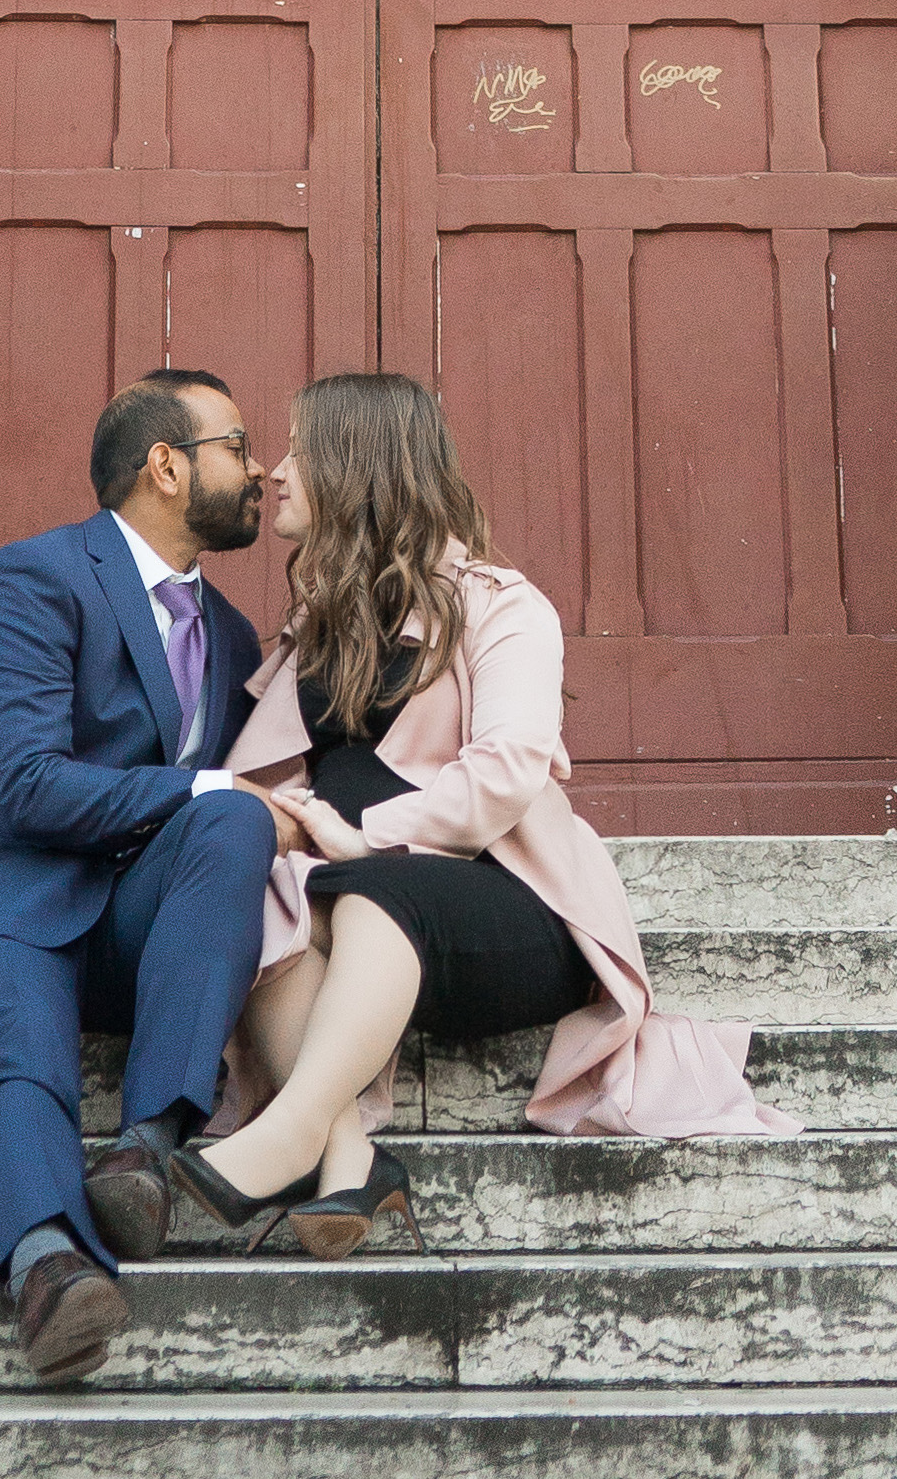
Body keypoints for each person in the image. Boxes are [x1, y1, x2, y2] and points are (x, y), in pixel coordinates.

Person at [153, 369, 786, 1258]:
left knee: (378, 892)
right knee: (269, 893)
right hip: (359, 901)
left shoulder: (501, 605)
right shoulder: (317, 626)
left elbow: (509, 768)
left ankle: (292, 1130)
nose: (273, 472)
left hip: (512, 911)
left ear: (357, 466)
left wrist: (367, 835)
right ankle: (347, 1161)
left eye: (301, 449)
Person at [0, 367, 299, 1380]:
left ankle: (145, 1145)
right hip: (3, 892)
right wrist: (209, 784)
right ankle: (48, 1265)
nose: (259, 468)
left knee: (231, 826)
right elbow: (30, 785)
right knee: (23, 1040)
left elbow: (224, 815)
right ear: (166, 465)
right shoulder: (35, 577)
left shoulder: (230, 637)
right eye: (239, 442)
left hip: (131, 921)